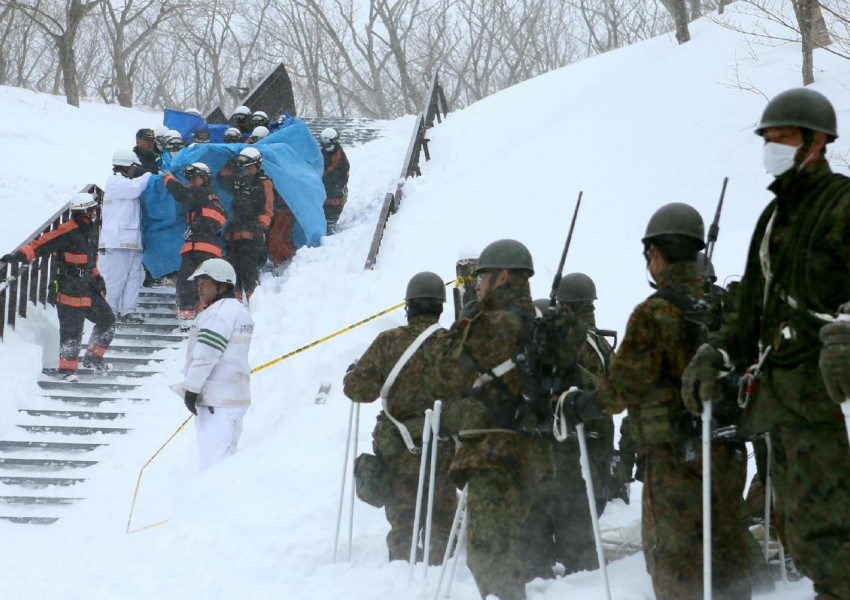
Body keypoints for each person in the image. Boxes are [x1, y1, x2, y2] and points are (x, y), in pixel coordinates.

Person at [683, 87, 850, 600]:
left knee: (836, 538)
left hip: (831, 401)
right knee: (806, 535)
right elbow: (746, 313)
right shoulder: (770, 220)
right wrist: (716, 352)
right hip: (785, 406)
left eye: (782, 137)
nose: (771, 146)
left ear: (816, 142)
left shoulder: (842, 203)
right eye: (767, 138)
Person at [565, 203, 751, 600]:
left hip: (674, 460)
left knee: (675, 561)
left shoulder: (655, 313)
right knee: (726, 554)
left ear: (655, 252)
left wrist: (579, 404)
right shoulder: (728, 307)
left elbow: (620, 389)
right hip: (728, 451)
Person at [435, 239, 546, 600]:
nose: (477, 285)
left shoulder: (492, 323)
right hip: (526, 449)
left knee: (488, 552)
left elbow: (445, 374)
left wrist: (463, 323)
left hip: (492, 451)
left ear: (504, 278)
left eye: (482, 277)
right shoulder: (537, 323)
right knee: (503, 546)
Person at [343, 272, 457, 563]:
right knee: (442, 515)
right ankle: (439, 573)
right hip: (441, 445)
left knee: (403, 518)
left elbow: (359, 391)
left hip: (399, 448)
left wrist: (351, 375)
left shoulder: (388, 342)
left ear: (409, 306)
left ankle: (401, 571)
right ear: (440, 308)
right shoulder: (453, 344)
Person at [521, 273, 617, 580]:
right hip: (597, 439)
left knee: (561, 513)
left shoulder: (568, 343)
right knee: (583, 520)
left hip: (571, 442)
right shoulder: (602, 343)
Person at [2, 193, 115, 381]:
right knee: (72, 330)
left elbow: (88, 261)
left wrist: (98, 278)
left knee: (107, 320)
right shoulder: (68, 230)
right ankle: (67, 371)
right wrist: (19, 256)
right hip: (69, 287)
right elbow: (42, 243)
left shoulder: (90, 230)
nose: (95, 214)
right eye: (92, 211)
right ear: (83, 212)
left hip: (88, 287)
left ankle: (93, 359)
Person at [182, 258, 253, 470]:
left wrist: (192, 389)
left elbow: (206, 355)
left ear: (222, 284)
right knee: (226, 464)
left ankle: (208, 503)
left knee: (213, 465)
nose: (199, 287)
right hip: (233, 398)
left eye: (205, 282)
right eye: (198, 282)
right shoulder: (239, 311)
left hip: (216, 400)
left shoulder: (217, 314)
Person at [163, 162, 227, 328]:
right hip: (210, 247)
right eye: (189, 178)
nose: (191, 181)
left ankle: (186, 320)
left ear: (205, 178)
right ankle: (205, 317)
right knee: (205, 284)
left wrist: (167, 178)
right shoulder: (215, 198)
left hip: (199, 246)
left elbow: (180, 192)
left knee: (187, 281)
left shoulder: (200, 193)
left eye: (195, 177)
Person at [100, 149, 152, 324]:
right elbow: (135, 188)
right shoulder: (116, 183)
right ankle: (110, 312)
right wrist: (149, 175)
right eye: (133, 166)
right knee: (117, 277)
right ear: (127, 166)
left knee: (134, 276)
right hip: (118, 239)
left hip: (132, 239)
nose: (134, 170)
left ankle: (129, 310)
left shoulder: (124, 183)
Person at [217, 147, 274, 301]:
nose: (246, 170)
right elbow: (222, 176)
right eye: (244, 167)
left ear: (258, 166)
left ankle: (254, 305)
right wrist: (233, 161)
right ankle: (233, 303)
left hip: (252, 233)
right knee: (231, 271)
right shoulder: (239, 181)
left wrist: (259, 228)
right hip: (234, 232)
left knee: (249, 271)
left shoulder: (264, 183)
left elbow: (268, 210)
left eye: (249, 167)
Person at [320, 127, 350, 234]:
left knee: (335, 200)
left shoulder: (341, 159)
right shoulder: (321, 153)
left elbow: (342, 176)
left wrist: (330, 181)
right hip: (323, 185)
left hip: (336, 187)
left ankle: (331, 222)